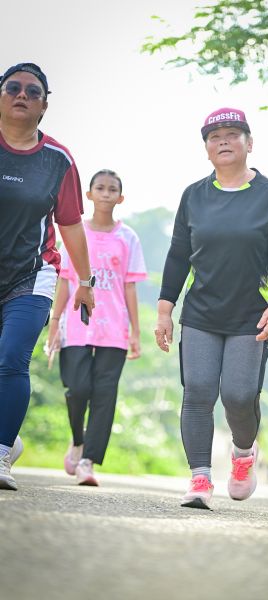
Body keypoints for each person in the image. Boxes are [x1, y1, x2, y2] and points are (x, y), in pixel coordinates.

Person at [155, 107, 268, 509]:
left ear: (250, 143)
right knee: (198, 391)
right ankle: (200, 478)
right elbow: (178, 255)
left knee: (238, 394)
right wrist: (165, 310)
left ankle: (243, 453)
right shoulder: (194, 195)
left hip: (250, 313)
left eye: (233, 134)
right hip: (201, 312)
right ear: (206, 149)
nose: (223, 141)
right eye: (214, 137)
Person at [0, 63, 94, 491]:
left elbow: (70, 224)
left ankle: (2, 452)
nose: (22, 95)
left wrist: (85, 282)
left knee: (11, 358)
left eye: (33, 91)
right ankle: (12, 436)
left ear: (44, 106)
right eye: (13, 87)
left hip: (31, 275)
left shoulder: (57, 159)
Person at [47, 170, 147, 486]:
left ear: (120, 197)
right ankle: (78, 440)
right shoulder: (75, 232)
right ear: (88, 195)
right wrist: (54, 321)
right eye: (100, 188)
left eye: (112, 189)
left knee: (105, 394)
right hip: (77, 322)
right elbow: (66, 280)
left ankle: (88, 461)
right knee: (77, 389)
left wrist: (135, 331)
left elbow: (130, 286)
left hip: (114, 328)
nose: (105, 193)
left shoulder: (128, 238)